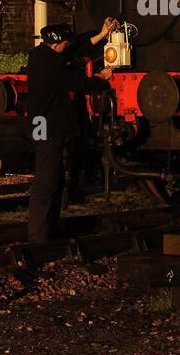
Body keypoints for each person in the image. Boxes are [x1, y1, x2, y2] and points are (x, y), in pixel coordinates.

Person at [25, 18, 118, 243]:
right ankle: (38, 237)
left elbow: (75, 48)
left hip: (40, 124)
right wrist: (102, 80)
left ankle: (50, 229)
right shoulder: (51, 66)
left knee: (53, 177)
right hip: (48, 126)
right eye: (65, 43)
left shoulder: (40, 54)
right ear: (56, 45)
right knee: (46, 180)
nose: (68, 46)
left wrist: (102, 34)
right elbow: (78, 83)